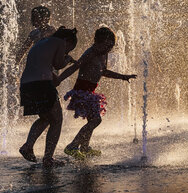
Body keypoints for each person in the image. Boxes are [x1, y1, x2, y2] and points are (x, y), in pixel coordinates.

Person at [57, 27, 136, 159]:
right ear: (98, 42)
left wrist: (123, 76)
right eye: (107, 45)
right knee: (95, 120)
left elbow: (104, 71)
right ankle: (73, 146)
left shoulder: (103, 54)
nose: (109, 49)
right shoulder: (90, 53)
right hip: (82, 91)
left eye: (112, 46)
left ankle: (85, 147)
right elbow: (75, 67)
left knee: (92, 120)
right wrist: (59, 79)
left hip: (90, 92)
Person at [18, 27, 78, 167]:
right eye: (69, 48)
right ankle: (48, 158)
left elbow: (41, 65)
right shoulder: (59, 42)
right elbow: (58, 64)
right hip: (41, 83)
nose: (67, 51)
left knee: (46, 118)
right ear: (67, 40)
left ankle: (28, 146)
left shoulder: (41, 42)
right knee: (57, 119)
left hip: (27, 84)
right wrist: (67, 59)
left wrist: (55, 78)